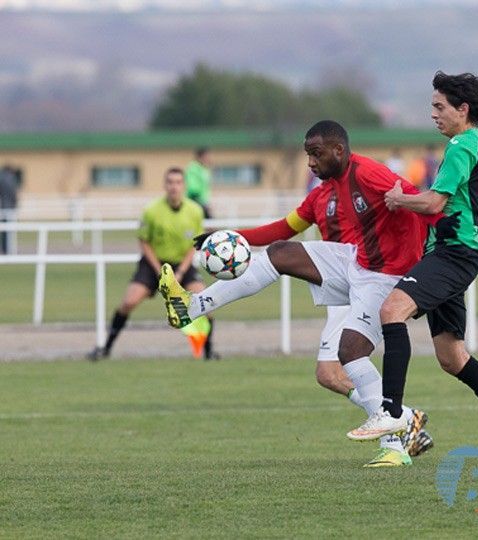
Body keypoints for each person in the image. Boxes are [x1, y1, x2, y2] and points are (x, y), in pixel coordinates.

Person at [160, 120, 440, 467]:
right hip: (354, 265)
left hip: (383, 278)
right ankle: (192, 306)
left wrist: (436, 266)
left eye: (315, 154)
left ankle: (396, 444)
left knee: (348, 355)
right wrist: (234, 234)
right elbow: (283, 228)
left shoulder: (369, 173)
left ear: (338, 151)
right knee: (281, 252)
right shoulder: (322, 193)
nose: (310, 162)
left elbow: (427, 206)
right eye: (308, 155)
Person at [346, 71, 478, 463]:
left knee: (392, 310)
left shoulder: (459, 146)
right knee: (453, 358)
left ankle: (390, 413)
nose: (433, 114)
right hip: (457, 252)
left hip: (453, 254)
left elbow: (436, 204)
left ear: (463, 109)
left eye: (440, 107)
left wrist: (401, 199)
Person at [87, 167, 219, 361]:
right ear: (165, 185)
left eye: (178, 182)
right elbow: (144, 241)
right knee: (129, 302)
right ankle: (106, 348)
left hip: (181, 265)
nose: (174, 186)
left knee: (206, 303)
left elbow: (195, 245)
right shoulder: (152, 210)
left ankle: (208, 352)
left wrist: (181, 271)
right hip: (153, 264)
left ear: (183, 185)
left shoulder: (195, 211)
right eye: (170, 182)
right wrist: (159, 272)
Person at [185, 147, 213, 218]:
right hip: (195, 202)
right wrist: (202, 204)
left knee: (209, 225)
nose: (209, 158)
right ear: (200, 156)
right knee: (210, 225)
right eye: (207, 156)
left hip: (203, 202)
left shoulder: (204, 169)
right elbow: (193, 189)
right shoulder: (193, 168)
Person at [0, 165, 19, 255]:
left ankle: (4, 248)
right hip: (9, 207)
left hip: (2, 207)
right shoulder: (11, 179)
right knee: (9, 230)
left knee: (4, 230)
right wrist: (15, 204)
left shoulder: (1, 178)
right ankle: (8, 250)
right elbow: (13, 194)